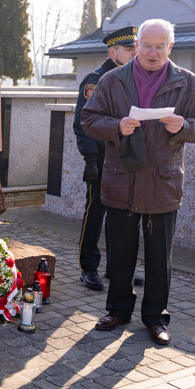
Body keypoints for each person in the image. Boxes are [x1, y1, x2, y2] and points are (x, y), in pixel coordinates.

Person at [81, 18, 195, 346]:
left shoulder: (188, 83)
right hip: (121, 181)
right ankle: (118, 310)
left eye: (160, 46)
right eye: (146, 45)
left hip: (162, 182)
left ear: (170, 47)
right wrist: (116, 127)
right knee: (120, 253)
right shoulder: (112, 80)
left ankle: (155, 318)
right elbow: (88, 120)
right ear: (137, 46)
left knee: (159, 257)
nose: (152, 52)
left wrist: (183, 126)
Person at [73, 26, 137, 291]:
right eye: (129, 49)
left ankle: (116, 268)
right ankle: (88, 267)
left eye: (136, 48)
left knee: (121, 215)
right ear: (113, 52)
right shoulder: (95, 80)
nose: (135, 53)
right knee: (95, 213)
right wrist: (90, 160)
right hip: (100, 159)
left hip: (125, 158)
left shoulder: (134, 79)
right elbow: (83, 124)